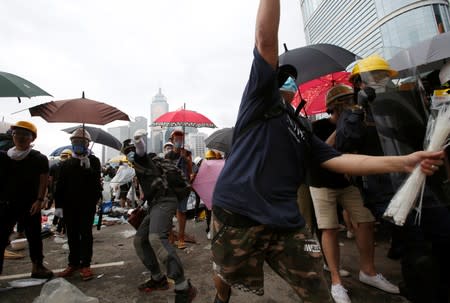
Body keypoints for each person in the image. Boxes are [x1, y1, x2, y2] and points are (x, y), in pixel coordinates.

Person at [210, 2, 444, 303]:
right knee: (226, 272)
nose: (288, 81)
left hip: (285, 222)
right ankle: (220, 295)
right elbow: (265, 39)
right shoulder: (259, 101)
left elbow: (342, 159)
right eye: (283, 76)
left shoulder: (301, 129)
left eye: (293, 79)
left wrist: (406, 161)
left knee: (317, 289)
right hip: (238, 214)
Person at [346, 56, 450, 303]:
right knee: (416, 251)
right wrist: (358, 110)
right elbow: (346, 143)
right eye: (376, 77)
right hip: (387, 191)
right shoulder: (355, 114)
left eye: (385, 76)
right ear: (360, 83)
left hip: (425, 183)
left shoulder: (400, 101)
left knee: (444, 238)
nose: (382, 81)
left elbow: (423, 130)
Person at [309, 85, 399, 303]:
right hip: (321, 184)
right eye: (345, 105)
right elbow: (318, 152)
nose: (350, 108)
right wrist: (339, 129)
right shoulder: (317, 126)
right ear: (334, 109)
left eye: (351, 103)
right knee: (329, 228)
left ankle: (368, 271)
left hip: (348, 183)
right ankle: (336, 281)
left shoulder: (357, 124)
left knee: (365, 221)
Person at [123, 135, 196, 303]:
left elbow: (141, 152)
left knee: (156, 238)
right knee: (140, 240)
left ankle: (183, 287)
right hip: (156, 203)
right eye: (126, 152)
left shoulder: (144, 159)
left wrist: (137, 146)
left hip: (165, 201)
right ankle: (158, 279)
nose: (128, 155)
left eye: (129, 152)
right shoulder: (145, 163)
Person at [0, 121, 53, 279]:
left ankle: (37, 266)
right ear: (12, 136)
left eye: (26, 135)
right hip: (6, 204)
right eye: (17, 134)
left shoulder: (38, 158)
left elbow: (43, 180)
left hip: (30, 204)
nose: (21, 138)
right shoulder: (4, 157)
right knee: (1, 237)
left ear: (32, 138)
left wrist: (39, 200)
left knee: (34, 237)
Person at [55, 128, 102, 281]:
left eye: (82, 142)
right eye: (75, 142)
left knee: (86, 234)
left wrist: (88, 169)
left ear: (88, 144)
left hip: (86, 205)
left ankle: (85, 264)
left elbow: (96, 185)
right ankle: (73, 263)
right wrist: (58, 209)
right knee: (72, 235)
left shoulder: (94, 161)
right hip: (69, 206)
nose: (78, 144)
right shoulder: (66, 163)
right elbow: (60, 186)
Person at [166, 130, 193, 250]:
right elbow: (165, 170)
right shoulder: (168, 155)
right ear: (172, 141)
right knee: (169, 213)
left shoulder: (187, 153)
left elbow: (191, 171)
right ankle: (171, 237)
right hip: (171, 188)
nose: (178, 142)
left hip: (184, 188)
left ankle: (181, 238)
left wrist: (186, 159)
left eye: (180, 139)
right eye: (176, 139)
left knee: (182, 212)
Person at [49, 148, 73, 235]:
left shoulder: (54, 166)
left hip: (57, 191)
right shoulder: (70, 166)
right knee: (65, 209)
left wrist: (51, 192)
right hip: (66, 191)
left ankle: (55, 224)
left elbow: (50, 181)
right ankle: (60, 228)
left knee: (59, 208)